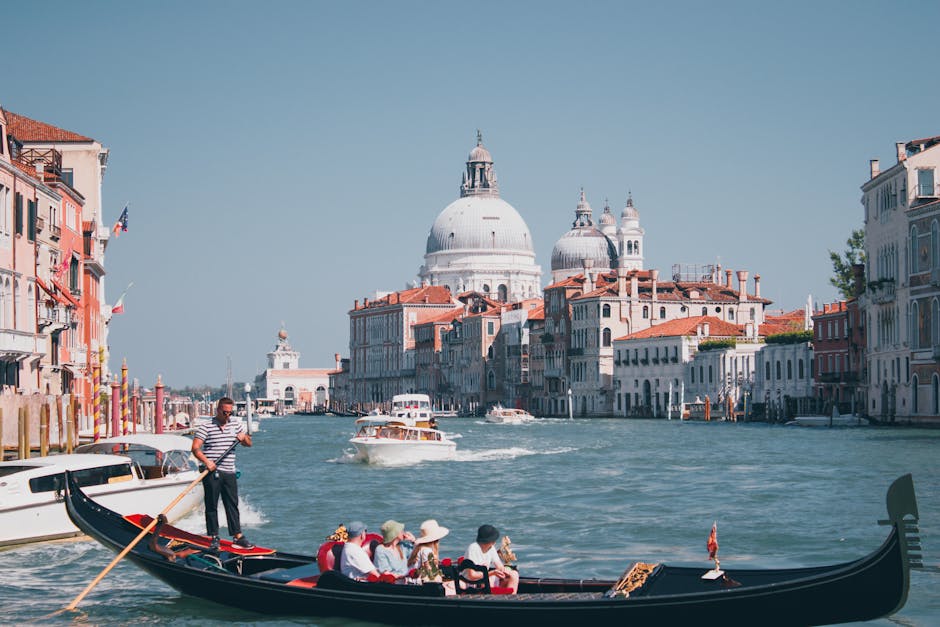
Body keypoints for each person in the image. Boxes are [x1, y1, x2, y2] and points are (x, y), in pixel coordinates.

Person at [192, 397, 253, 551]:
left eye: (229, 413)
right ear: (218, 410)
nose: (227, 416)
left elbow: (249, 443)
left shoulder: (235, 424)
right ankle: (214, 537)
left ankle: (237, 536)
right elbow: (195, 448)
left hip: (229, 471)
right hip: (212, 471)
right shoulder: (206, 427)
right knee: (211, 505)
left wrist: (243, 438)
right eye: (224, 412)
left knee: (232, 505)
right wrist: (207, 462)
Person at [463, 524, 519, 593]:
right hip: (472, 582)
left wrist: (505, 571)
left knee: (514, 574)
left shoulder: (491, 548)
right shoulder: (473, 548)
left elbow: (499, 566)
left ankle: (511, 599)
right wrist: (492, 573)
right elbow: (472, 575)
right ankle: (490, 599)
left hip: (486, 577)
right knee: (490, 579)